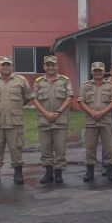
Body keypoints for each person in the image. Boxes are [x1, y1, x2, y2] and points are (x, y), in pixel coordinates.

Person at [0, 55, 32, 185]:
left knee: (16, 147)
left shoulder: (21, 80)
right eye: (3, 65)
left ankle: (18, 173)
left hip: (14, 121)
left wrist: (15, 108)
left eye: (8, 64)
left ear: (12, 66)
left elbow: (27, 97)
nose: (5, 67)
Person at [30, 55, 74, 185]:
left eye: (53, 65)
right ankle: (48, 172)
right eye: (48, 65)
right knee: (45, 147)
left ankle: (58, 172)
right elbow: (35, 99)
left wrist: (58, 112)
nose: (50, 67)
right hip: (44, 119)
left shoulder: (64, 80)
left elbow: (69, 97)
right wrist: (46, 113)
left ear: (57, 66)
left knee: (60, 148)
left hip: (60, 119)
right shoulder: (38, 82)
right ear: (44, 66)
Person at [77, 61, 112, 182]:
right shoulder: (85, 86)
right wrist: (91, 112)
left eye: (100, 71)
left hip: (106, 121)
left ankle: (110, 169)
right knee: (90, 147)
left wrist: (102, 112)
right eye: (95, 71)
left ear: (104, 71)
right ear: (92, 71)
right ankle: (89, 171)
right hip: (91, 122)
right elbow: (81, 101)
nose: (98, 73)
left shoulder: (110, 86)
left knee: (109, 147)